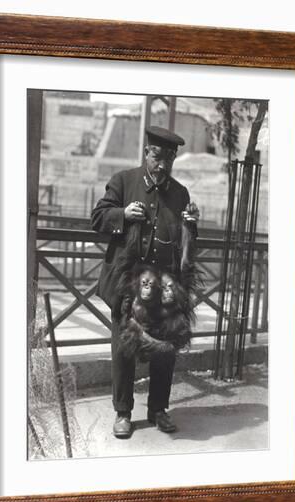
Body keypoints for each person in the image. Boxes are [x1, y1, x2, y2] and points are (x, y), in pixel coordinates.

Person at [91, 126, 199, 438]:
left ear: (174, 160)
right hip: (127, 287)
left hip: (163, 289)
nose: (162, 164)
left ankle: (158, 410)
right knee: (124, 350)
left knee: (165, 351)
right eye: (157, 156)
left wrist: (191, 226)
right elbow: (97, 218)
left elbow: (185, 241)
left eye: (168, 159)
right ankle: (123, 412)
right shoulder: (123, 181)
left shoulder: (180, 194)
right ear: (146, 153)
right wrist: (122, 213)